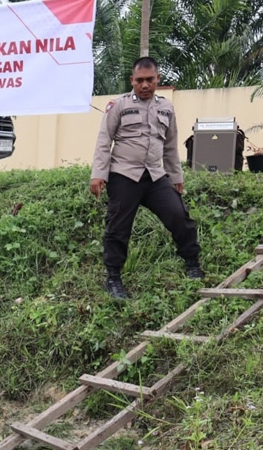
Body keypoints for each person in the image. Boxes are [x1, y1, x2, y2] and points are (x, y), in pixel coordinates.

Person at [90, 56, 204, 300]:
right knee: (118, 227)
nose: (144, 85)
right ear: (132, 80)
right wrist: (98, 175)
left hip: (155, 175)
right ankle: (113, 279)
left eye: (149, 80)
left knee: (178, 215)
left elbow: (171, 145)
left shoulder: (166, 107)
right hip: (124, 174)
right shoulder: (118, 105)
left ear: (157, 79)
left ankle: (192, 264)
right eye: (139, 80)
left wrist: (176, 176)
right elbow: (104, 140)